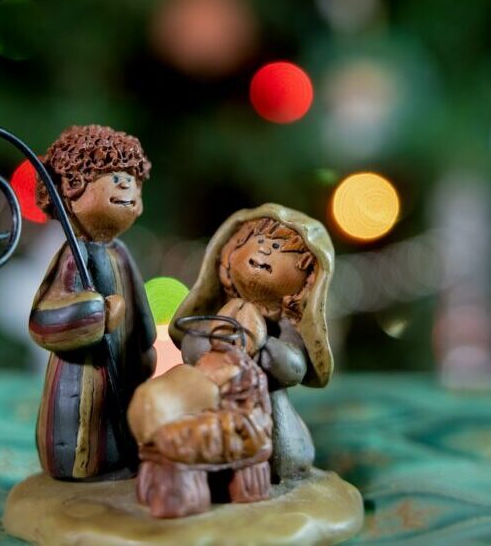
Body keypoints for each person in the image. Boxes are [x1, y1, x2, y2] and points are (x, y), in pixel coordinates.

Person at [170, 204, 335, 482]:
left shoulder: (284, 326)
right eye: (258, 241)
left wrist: (262, 346)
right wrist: (216, 342)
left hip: (266, 413)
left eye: (283, 250)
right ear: (230, 252)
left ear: (307, 280)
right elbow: (191, 345)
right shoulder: (216, 314)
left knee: (271, 455)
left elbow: (294, 367)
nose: (265, 251)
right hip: (212, 404)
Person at [29, 125, 156, 481]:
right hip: (80, 381)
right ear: (71, 189)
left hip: (126, 373)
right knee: (88, 443)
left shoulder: (122, 253)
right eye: (115, 176)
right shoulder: (73, 258)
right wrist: (97, 314)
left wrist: (145, 344)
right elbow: (42, 319)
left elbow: (140, 307)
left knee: (127, 435)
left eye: (133, 178)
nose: (127, 186)